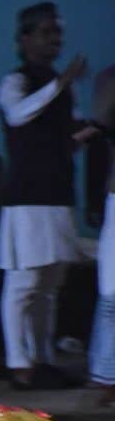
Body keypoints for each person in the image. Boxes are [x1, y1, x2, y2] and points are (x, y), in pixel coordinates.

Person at [0, 1, 89, 389]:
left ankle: (43, 359)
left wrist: (95, 130)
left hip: (57, 195)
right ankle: (20, 366)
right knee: (23, 286)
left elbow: (65, 140)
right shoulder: (14, 82)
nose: (55, 40)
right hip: (27, 198)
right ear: (25, 39)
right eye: (47, 32)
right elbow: (18, 115)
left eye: (58, 34)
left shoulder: (60, 88)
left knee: (50, 286)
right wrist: (61, 83)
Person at [82, 66, 115, 403]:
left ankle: (105, 375)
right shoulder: (110, 80)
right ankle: (105, 377)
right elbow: (96, 134)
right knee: (112, 293)